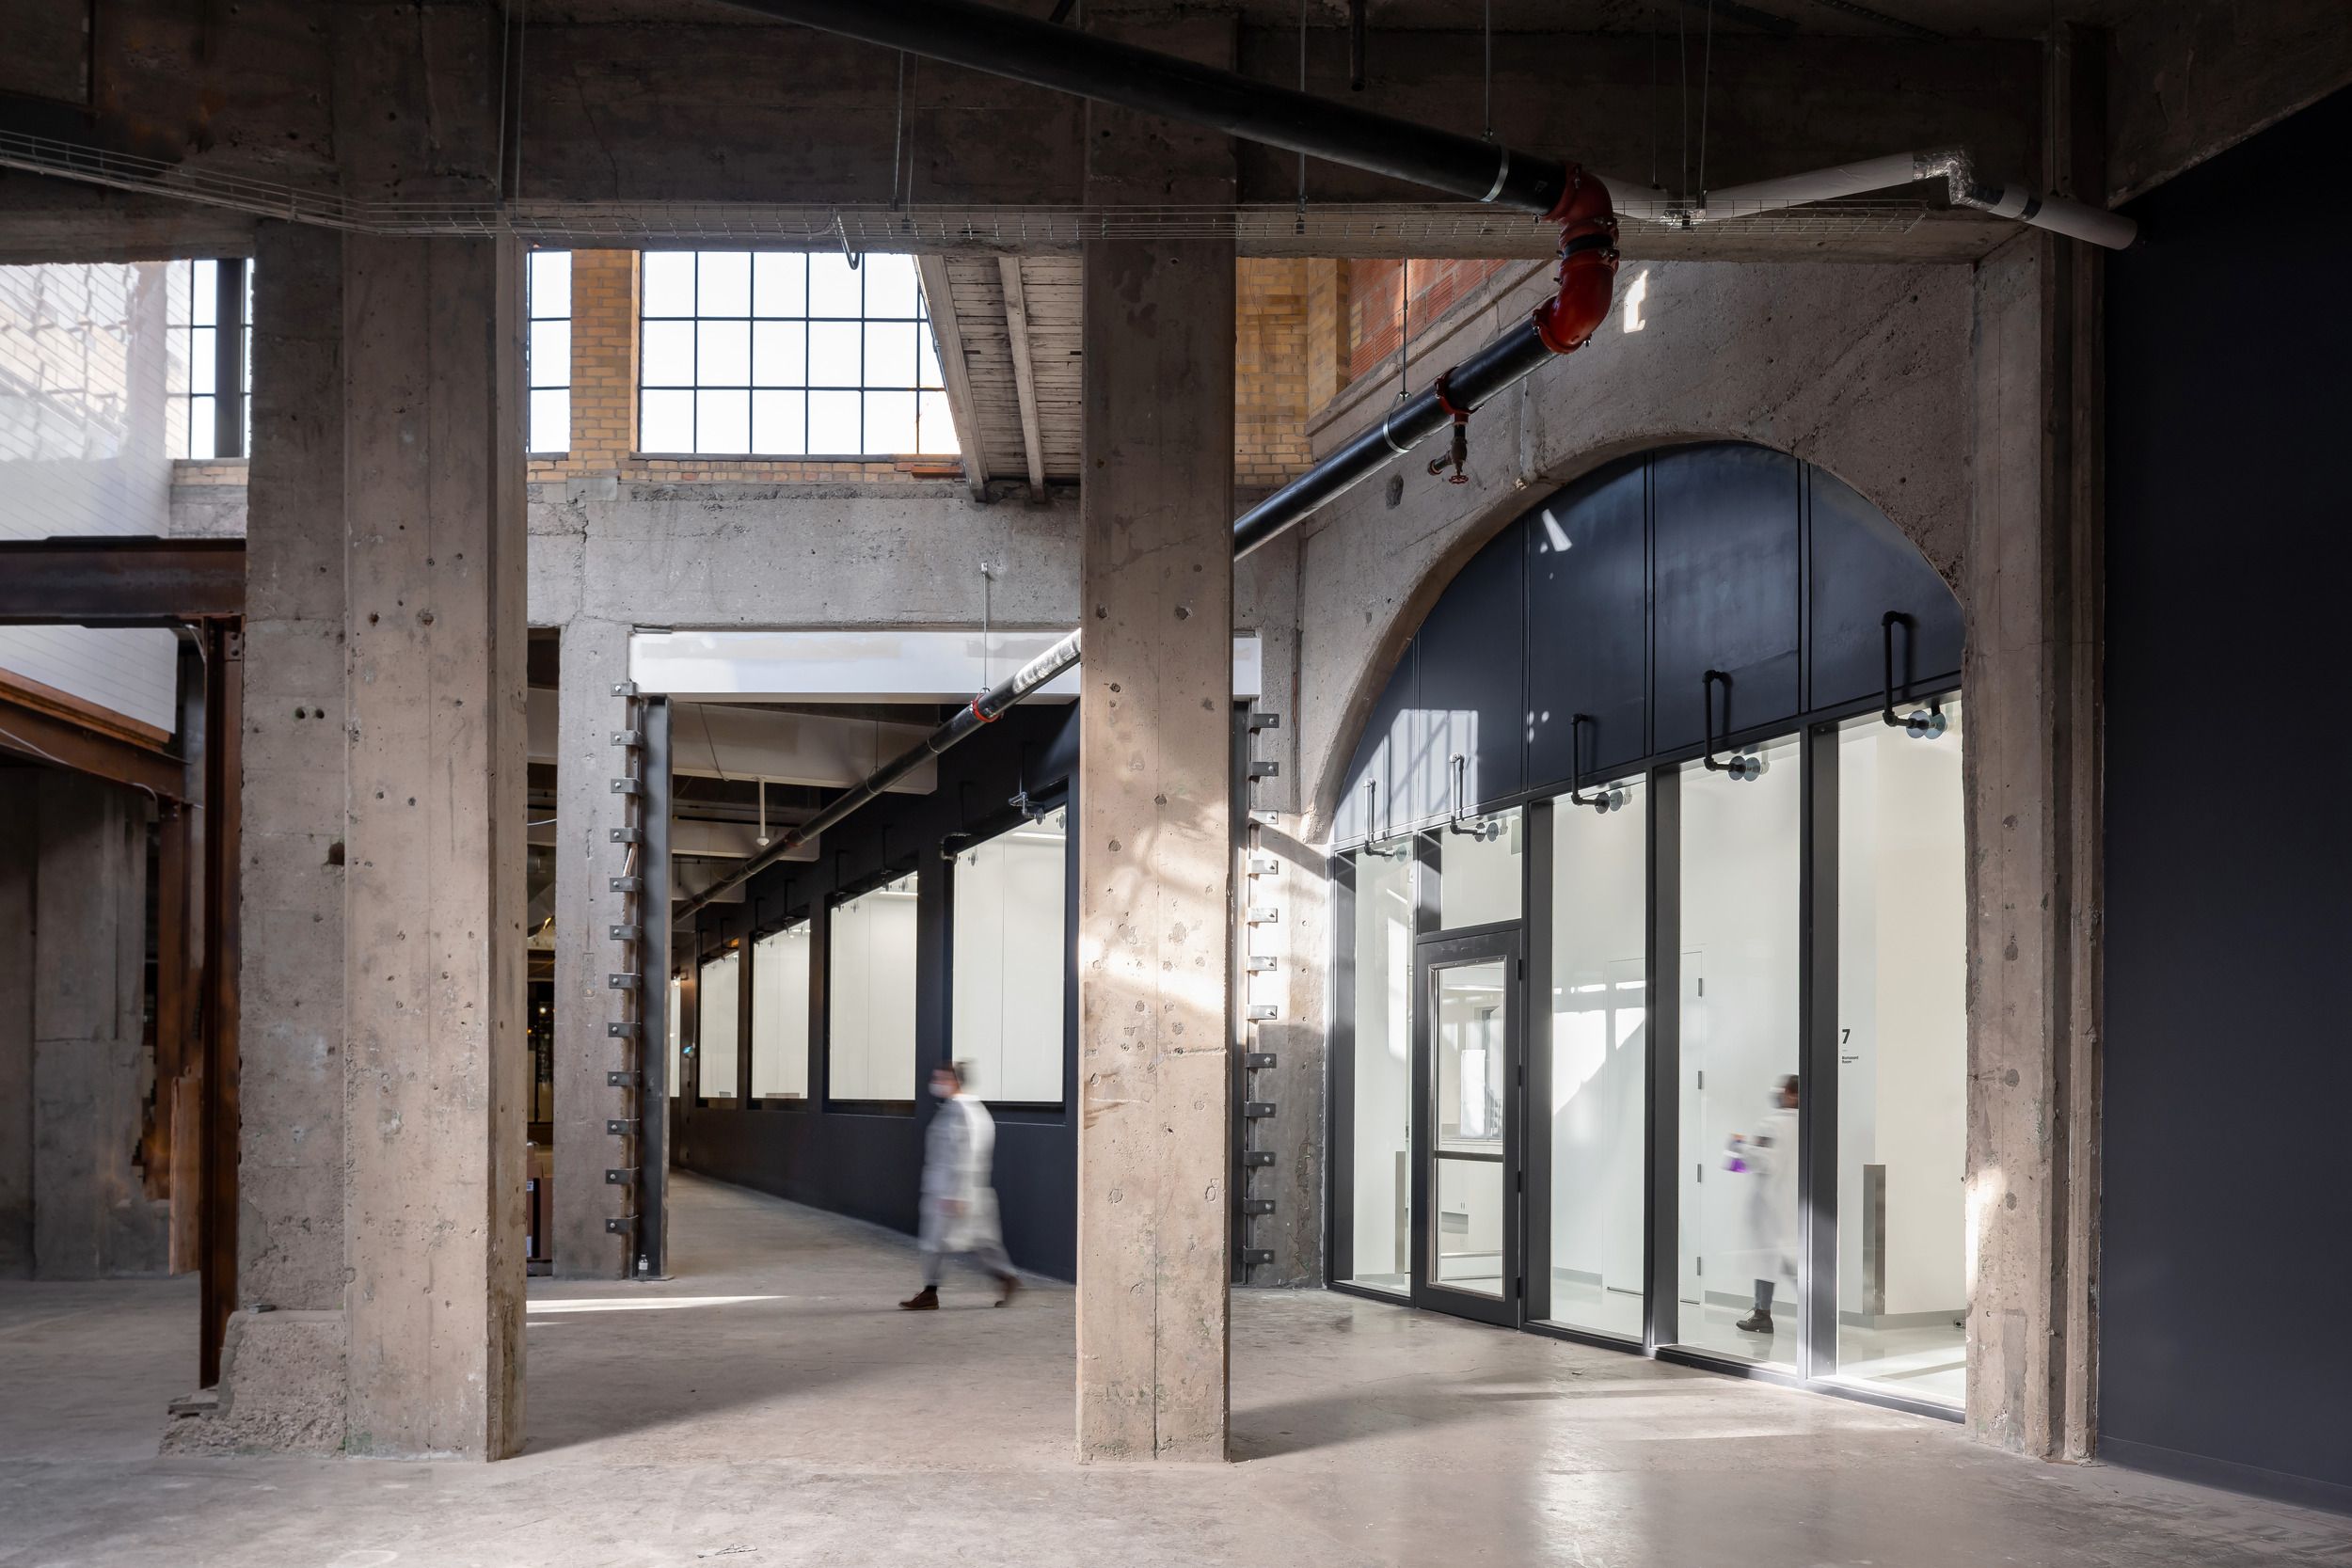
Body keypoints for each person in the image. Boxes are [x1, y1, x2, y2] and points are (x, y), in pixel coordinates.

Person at [899, 1061, 1020, 1310]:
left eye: (941, 1078)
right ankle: (1006, 1278)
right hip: (954, 1190)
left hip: (954, 1191)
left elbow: (968, 1154)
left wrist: (959, 1194)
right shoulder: (958, 1109)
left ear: (955, 1081)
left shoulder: (964, 1112)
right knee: (980, 1241)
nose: (936, 1083)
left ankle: (930, 1293)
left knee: (938, 1243)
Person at [1733, 1074, 1801, 1335]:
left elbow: (1762, 1161)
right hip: (1793, 1204)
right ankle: (1763, 1313)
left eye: (1782, 1089)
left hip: (1770, 1205)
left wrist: (1741, 1148)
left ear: (1791, 1094)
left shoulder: (1771, 1125)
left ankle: (1763, 1313)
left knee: (1773, 1260)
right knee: (1784, 1260)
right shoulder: (1808, 1125)